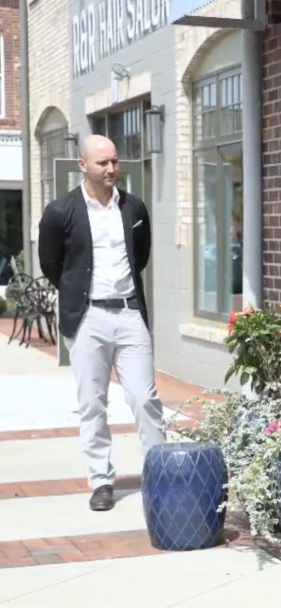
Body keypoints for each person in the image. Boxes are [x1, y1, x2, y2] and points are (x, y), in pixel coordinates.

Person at [38, 134, 165, 512]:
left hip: (129, 313)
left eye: (114, 161)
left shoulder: (134, 207)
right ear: (83, 165)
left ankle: (160, 477)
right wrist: (79, 294)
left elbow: (139, 256)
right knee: (92, 402)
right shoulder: (61, 212)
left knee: (145, 398)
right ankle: (101, 481)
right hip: (88, 316)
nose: (111, 169)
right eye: (102, 163)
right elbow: (52, 264)